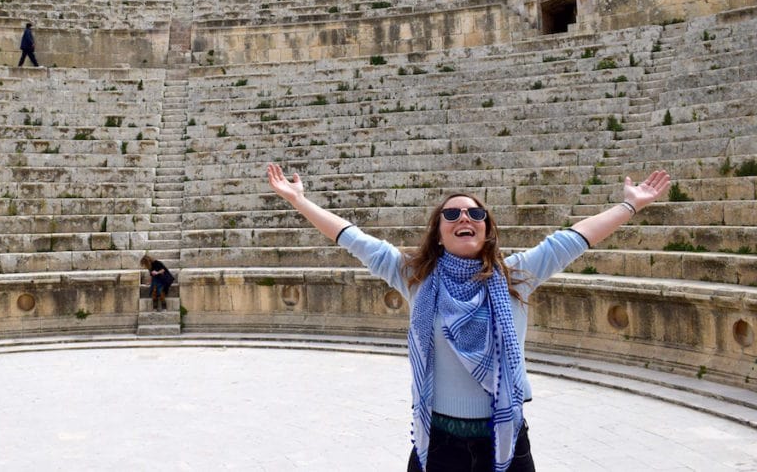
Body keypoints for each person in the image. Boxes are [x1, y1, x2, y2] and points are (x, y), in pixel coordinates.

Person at [266, 162, 670, 472]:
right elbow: (354, 239)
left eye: (475, 215)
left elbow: (575, 238)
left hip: (505, 440)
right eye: (452, 214)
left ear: (487, 230)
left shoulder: (517, 277)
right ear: (438, 232)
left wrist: (631, 203)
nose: (464, 219)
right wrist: (299, 201)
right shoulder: (415, 278)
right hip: (440, 442)